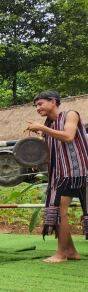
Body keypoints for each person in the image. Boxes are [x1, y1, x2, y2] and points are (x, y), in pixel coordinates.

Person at [27, 91, 88, 262]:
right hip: (60, 172)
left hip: (75, 171)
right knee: (58, 211)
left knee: (60, 211)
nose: (37, 108)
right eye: (36, 106)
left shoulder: (70, 114)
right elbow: (52, 149)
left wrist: (42, 128)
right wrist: (36, 160)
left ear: (53, 101)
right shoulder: (49, 124)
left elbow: (68, 137)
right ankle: (72, 252)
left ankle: (61, 254)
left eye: (40, 104)